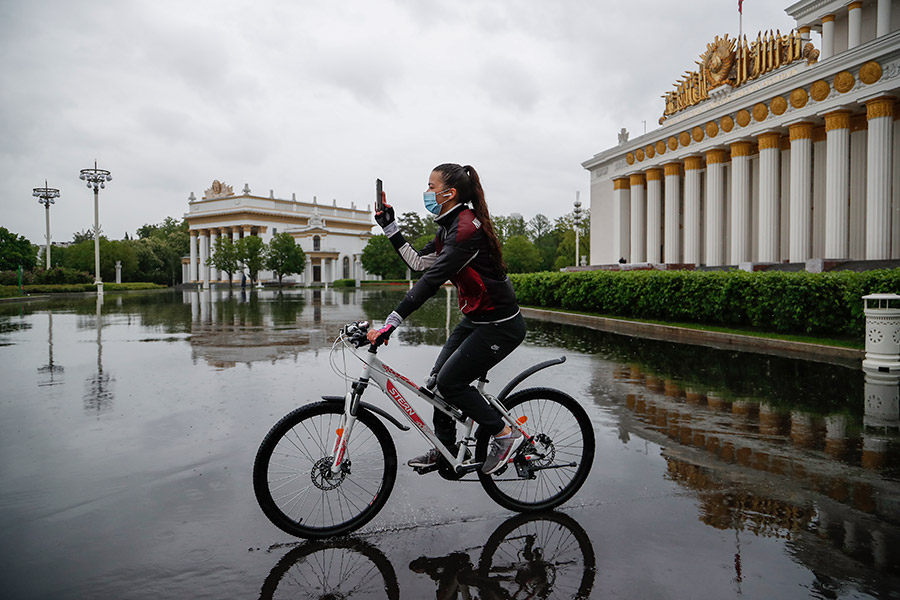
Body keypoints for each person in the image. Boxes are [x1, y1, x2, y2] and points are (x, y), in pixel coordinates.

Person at [366, 163, 526, 475]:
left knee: (451, 383)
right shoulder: (448, 228)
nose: (426, 192)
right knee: (435, 385)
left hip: (500, 326)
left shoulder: (465, 229)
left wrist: (391, 322)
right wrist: (390, 226)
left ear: (448, 193)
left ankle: (506, 436)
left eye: (430, 186)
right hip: (476, 320)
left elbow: (431, 281)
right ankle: (447, 449)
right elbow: (419, 263)